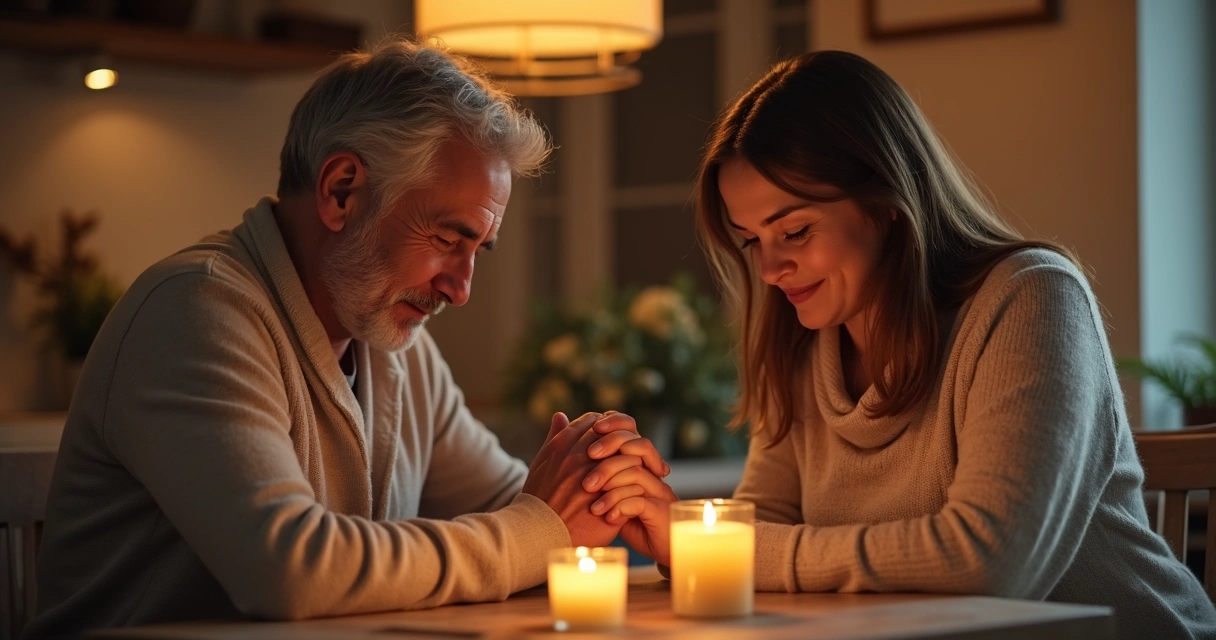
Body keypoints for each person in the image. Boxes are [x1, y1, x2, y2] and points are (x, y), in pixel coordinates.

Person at [25, 40, 670, 637]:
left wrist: (604, 489)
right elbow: (288, 570)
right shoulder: (196, 311)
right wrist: (539, 527)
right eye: (448, 239)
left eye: (480, 249)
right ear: (342, 191)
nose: (461, 287)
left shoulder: (393, 342)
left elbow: (520, 510)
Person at [607, 50, 1216, 639]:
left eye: (794, 230)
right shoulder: (803, 341)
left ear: (887, 203)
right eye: (750, 240)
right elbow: (765, 524)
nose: (770, 269)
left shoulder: (1032, 299)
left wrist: (720, 549)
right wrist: (675, 532)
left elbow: (992, 562)